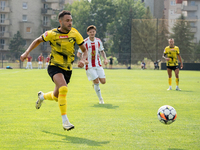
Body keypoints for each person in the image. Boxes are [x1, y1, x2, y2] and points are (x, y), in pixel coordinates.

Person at [20, 10, 88, 131]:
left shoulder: (75, 33)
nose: (70, 23)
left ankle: (42, 97)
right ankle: (65, 121)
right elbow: (37, 41)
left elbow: (85, 50)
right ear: (60, 21)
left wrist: (83, 60)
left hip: (67, 69)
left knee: (57, 96)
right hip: (54, 66)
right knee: (63, 88)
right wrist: (26, 52)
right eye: (67, 20)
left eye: (71, 20)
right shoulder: (51, 34)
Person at [77, 25, 108, 104]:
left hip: (98, 64)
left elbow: (102, 51)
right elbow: (78, 54)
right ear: (88, 33)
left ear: (95, 32)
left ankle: (95, 84)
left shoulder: (98, 41)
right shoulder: (84, 42)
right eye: (90, 32)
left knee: (103, 81)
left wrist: (105, 58)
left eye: (93, 32)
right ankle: (101, 99)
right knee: (97, 81)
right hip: (89, 66)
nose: (92, 33)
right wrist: (83, 60)